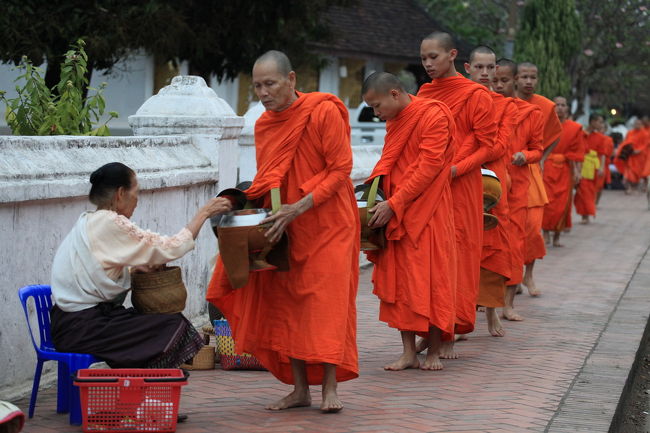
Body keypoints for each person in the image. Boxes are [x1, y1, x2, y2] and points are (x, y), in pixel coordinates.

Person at [206, 50, 359, 413]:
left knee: (327, 305)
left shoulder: (322, 111)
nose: (263, 92)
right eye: (257, 85)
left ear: (291, 80)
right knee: (285, 305)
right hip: (283, 226)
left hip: (328, 223)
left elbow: (341, 170)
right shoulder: (263, 124)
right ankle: (299, 389)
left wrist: (299, 207)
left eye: (270, 84)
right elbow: (269, 177)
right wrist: (240, 203)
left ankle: (330, 389)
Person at [50, 162, 232, 369]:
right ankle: (140, 385)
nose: (137, 200)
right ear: (120, 193)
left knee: (160, 324)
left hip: (71, 324)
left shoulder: (89, 221)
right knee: (173, 326)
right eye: (136, 192)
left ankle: (138, 383)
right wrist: (203, 214)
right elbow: (169, 247)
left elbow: (99, 269)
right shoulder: (109, 222)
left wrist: (132, 270)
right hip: (82, 328)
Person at [362, 72, 456, 371]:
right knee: (400, 280)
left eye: (377, 106)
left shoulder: (432, 115)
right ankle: (407, 351)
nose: (377, 114)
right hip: (395, 208)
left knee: (429, 278)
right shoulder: (395, 121)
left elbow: (429, 166)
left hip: (427, 208)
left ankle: (433, 349)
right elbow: (391, 160)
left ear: (394, 93)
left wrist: (396, 203)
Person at [417, 32, 497, 357]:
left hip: (461, 185)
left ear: (452, 55)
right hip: (430, 186)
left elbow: (486, 145)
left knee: (458, 254)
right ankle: (428, 327)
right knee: (429, 257)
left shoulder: (476, 94)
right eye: (423, 59)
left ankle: (449, 328)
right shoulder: (423, 93)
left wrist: (455, 169)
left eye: (433, 57)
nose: (427, 64)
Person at [464, 46, 517, 337]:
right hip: (459, 180)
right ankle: (461, 313)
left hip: (492, 183)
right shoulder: (456, 98)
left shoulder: (505, 105)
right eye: (479, 67)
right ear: (467, 68)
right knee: (462, 249)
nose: (485, 73)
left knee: (493, 248)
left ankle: (491, 312)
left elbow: (500, 144)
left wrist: (466, 156)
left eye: (490, 67)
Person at [493, 58, 544, 321]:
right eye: (495, 81)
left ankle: (508, 304)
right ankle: (484, 301)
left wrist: (526, 155)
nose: (499, 85)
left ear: (514, 80)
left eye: (504, 80)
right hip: (489, 185)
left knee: (514, 244)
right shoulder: (483, 108)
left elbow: (538, 148)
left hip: (518, 187)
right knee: (487, 245)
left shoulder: (529, 113)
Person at [515, 62, 562, 297]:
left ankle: (529, 274)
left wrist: (543, 157)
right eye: (524, 76)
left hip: (531, 168)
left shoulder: (545, 105)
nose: (528, 81)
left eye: (533, 77)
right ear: (516, 78)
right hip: (508, 168)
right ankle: (506, 280)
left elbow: (556, 133)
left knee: (533, 228)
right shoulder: (505, 101)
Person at [542, 96, 585, 247]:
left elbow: (577, 152)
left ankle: (557, 237)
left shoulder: (574, 128)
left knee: (562, 204)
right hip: (546, 167)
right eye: (557, 105)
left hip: (565, 170)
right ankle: (546, 234)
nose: (560, 107)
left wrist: (578, 171)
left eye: (563, 105)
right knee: (546, 202)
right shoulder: (545, 125)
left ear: (567, 108)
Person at [574, 114, 608, 224]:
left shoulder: (600, 137)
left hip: (593, 167)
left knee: (590, 191)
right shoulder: (580, 133)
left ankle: (587, 214)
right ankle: (585, 215)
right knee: (582, 191)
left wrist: (602, 167)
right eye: (599, 122)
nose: (601, 125)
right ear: (592, 121)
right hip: (581, 164)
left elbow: (602, 154)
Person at [618, 118, 649, 194]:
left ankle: (634, 188)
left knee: (637, 173)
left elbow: (645, 144)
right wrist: (627, 149)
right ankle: (629, 188)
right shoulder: (630, 132)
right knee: (629, 172)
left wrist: (638, 150)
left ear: (641, 125)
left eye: (639, 124)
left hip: (640, 156)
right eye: (636, 124)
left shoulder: (645, 133)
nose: (637, 125)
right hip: (630, 155)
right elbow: (626, 142)